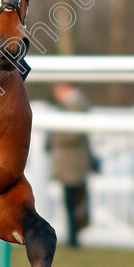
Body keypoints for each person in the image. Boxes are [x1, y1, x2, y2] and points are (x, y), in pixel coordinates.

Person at [48, 84, 98, 248]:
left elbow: (72, 134)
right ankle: (73, 237)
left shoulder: (76, 105)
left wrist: (53, 140)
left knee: (74, 201)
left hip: (73, 163)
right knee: (73, 201)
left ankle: (74, 238)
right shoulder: (75, 105)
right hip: (73, 163)